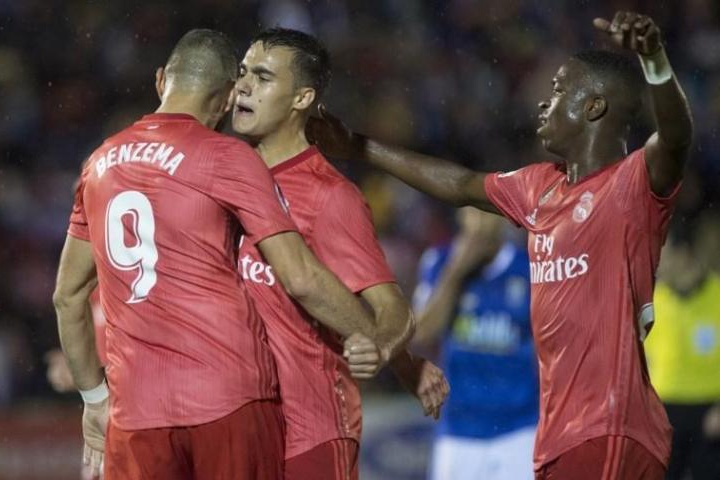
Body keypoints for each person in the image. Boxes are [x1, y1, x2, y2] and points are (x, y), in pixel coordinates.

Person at [308, 11, 694, 479]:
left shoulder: (630, 186)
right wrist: (359, 147)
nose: (542, 103)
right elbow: (460, 183)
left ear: (594, 107)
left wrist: (653, 58)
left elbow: (675, 137)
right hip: (557, 437)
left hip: (610, 426)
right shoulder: (539, 190)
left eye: (557, 91)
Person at [53, 29, 387, 480]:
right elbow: (301, 276)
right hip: (228, 398)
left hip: (137, 411)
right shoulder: (227, 157)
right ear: (229, 97)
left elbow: (68, 296)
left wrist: (95, 401)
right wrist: (371, 333)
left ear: (159, 81)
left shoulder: (98, 164)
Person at [231, 27, 448, 480]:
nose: (244, 86)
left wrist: (387, 351)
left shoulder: (329, 196)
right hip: (236, 425)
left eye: (264, 77)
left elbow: (389, 309)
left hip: (308, 429)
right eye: (243, 72)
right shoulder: (226, 176)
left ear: (302, 98)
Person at [412, 208, 537, 480]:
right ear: (460, 215)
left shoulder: (528, 268)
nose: (479, 223)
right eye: (472, 212)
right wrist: (456, 272)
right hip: (459, 430)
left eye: (487, 212)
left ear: (504, 217)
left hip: (520, 429)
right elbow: (423, 333)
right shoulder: (439, 261)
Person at [644, 228, 720, 480]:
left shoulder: (717, 294)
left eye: (665, 257)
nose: (660, 264)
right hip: (665, 414)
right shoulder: (653, 301)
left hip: (710, 413)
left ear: (685, 255)